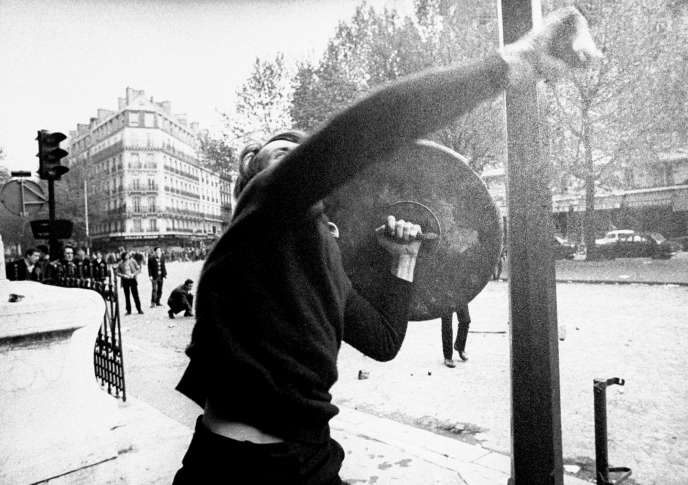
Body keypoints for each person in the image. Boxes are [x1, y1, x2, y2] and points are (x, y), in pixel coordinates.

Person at [172, 8, 601, 484]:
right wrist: (510, 64)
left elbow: (381, 340)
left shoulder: (324, 253)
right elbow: (368, 128)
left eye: (303, 147)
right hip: (238, 470)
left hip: (309, 459)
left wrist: (404, 257)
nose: (296, 152)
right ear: (251, 179)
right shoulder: (262, 211)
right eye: (280, 152)